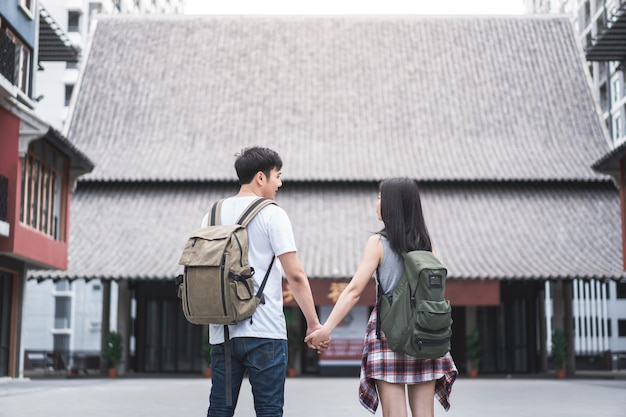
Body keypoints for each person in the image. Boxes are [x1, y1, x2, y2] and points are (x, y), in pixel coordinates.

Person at [305, 177, 458, 417]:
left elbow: (355, 290)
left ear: (391, 206)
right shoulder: (428, 246)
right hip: (425, 335)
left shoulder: (378, 242)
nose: (376, 203)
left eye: (380, 198)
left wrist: (326, 329)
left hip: (389, 335)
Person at [203, 146, 322, 417]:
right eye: (277, 175)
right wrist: (313, 324)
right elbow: (296, 275)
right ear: (260, 177)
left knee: (219, 410)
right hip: (265, 331)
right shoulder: (272, 214)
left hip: (223, 332)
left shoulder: (212, 214)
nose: (280, 182)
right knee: (269, 411)